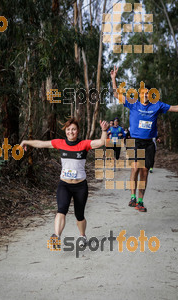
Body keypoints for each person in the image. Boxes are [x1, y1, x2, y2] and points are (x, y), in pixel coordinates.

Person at [20, 118, 109, 248]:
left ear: (77, 131)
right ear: (65, 131)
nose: (71, 132)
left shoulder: (84, 144)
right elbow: (42, 143)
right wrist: (25, 141)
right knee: (61, 210)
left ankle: (82, 235)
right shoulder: (60, 143)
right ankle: (56, 236)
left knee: (80, 215)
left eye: (73, 129)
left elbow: (101, 142)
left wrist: (104, 130)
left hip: (80, 186)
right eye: (68, 130)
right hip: (65, 185)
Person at [110, 66, 178, 212]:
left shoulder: (157, 105)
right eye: (143, 93)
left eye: (147, 93)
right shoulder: (133, 103)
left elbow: (173, 108)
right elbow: (116, 95)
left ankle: (140, 201)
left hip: (149, 143)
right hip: (135, 141)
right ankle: (132, 197)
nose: (145, 95)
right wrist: (113, 78)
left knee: (145, 171)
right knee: (135, 167)